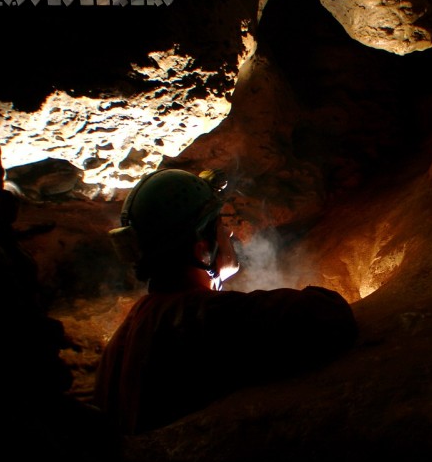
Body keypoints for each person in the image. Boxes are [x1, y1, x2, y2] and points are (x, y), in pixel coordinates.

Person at [94, 168, 358, 435]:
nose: (230, 234)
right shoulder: (203, 316)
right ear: (202, 248)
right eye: (221, 225)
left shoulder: (120, 344)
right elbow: (327, 314)